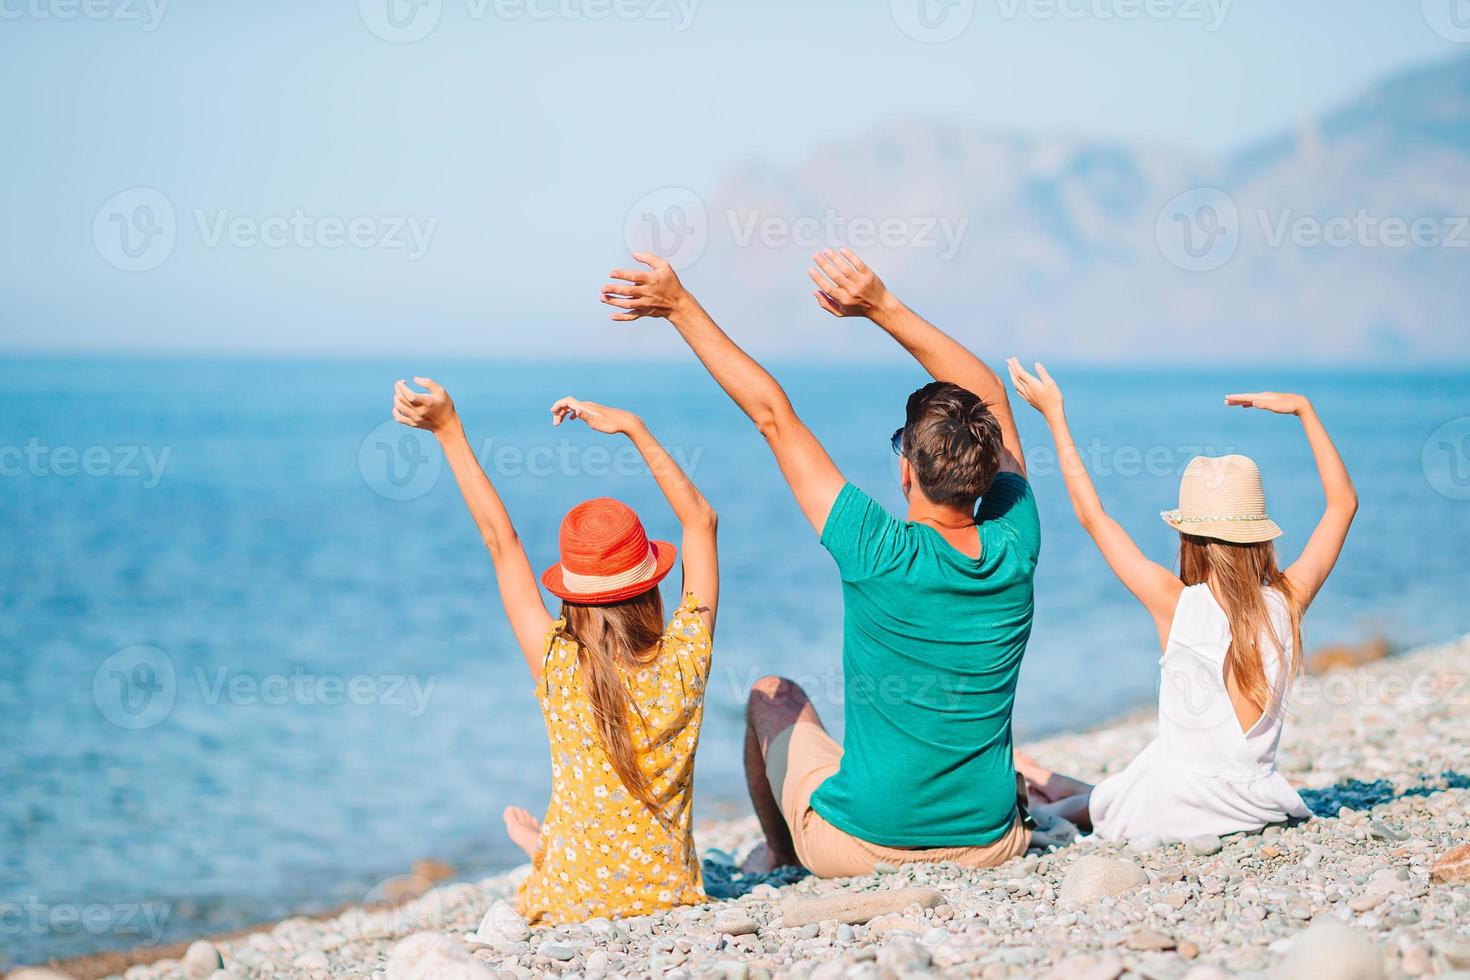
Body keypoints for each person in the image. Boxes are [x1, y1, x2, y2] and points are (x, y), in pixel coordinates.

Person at [600, 248, 1037, 877]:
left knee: (771, 695)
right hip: (993, 841)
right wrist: (883, 306)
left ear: (906, 470)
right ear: (984, 469)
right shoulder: (1017, 538)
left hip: (862, 848)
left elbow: (773, 417)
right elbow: (989, 395)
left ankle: (782, 855)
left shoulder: (875, 548)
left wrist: (678, 306)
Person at [390, 379, 719, 921]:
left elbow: (502, 542)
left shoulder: (557, 664)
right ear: (653, 584)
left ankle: (549, 848)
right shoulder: (686, 658)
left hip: (569, 900)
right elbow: (700, 521)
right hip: (670, 895)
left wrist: (447, 430)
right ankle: (551, 842)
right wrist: (633, 426)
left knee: (573, 820)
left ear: (571, 594)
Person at [1005, 364, 1357, 841]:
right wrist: (1305, 411)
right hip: (1254, 803)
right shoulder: (1288, 600)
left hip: (1169, 809)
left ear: (1187, 536)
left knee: (1084, 806)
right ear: (1257, 533)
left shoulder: (1175, 603)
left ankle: (1043, 783)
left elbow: (1093, 517)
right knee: (1135, 781)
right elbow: (1343, 504)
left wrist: (1055, 415)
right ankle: (1052, 780)